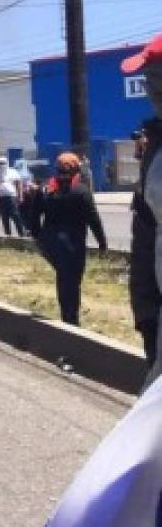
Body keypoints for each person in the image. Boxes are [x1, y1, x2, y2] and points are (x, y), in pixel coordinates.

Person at [26, 151, 108, 326]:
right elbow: (93, 219)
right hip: (73, 245)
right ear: (76, 170)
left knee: (63, 277)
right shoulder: (81, 191)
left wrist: (40, 239)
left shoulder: (45, 189)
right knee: (72, 280)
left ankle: (68, 315)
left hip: (51, 244)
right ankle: (71, 319)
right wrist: (102, 243)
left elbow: (33, 218)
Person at [122, 33, 162, 387]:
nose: (153, 88)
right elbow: (145, 235)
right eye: (149, 78)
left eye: (161, 77)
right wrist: (147, 314)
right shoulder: (154, 147)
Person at [0, 155, 25, 237]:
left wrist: (21, 196)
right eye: (0, 163)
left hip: (11, 197)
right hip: (0, 198)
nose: (2, 165)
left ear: (7, 163)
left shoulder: (13, 171)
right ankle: (8, 235)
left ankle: (22, 234)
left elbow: (19, 184)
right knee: (4, 217)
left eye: (4, 163)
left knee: (15, 215)